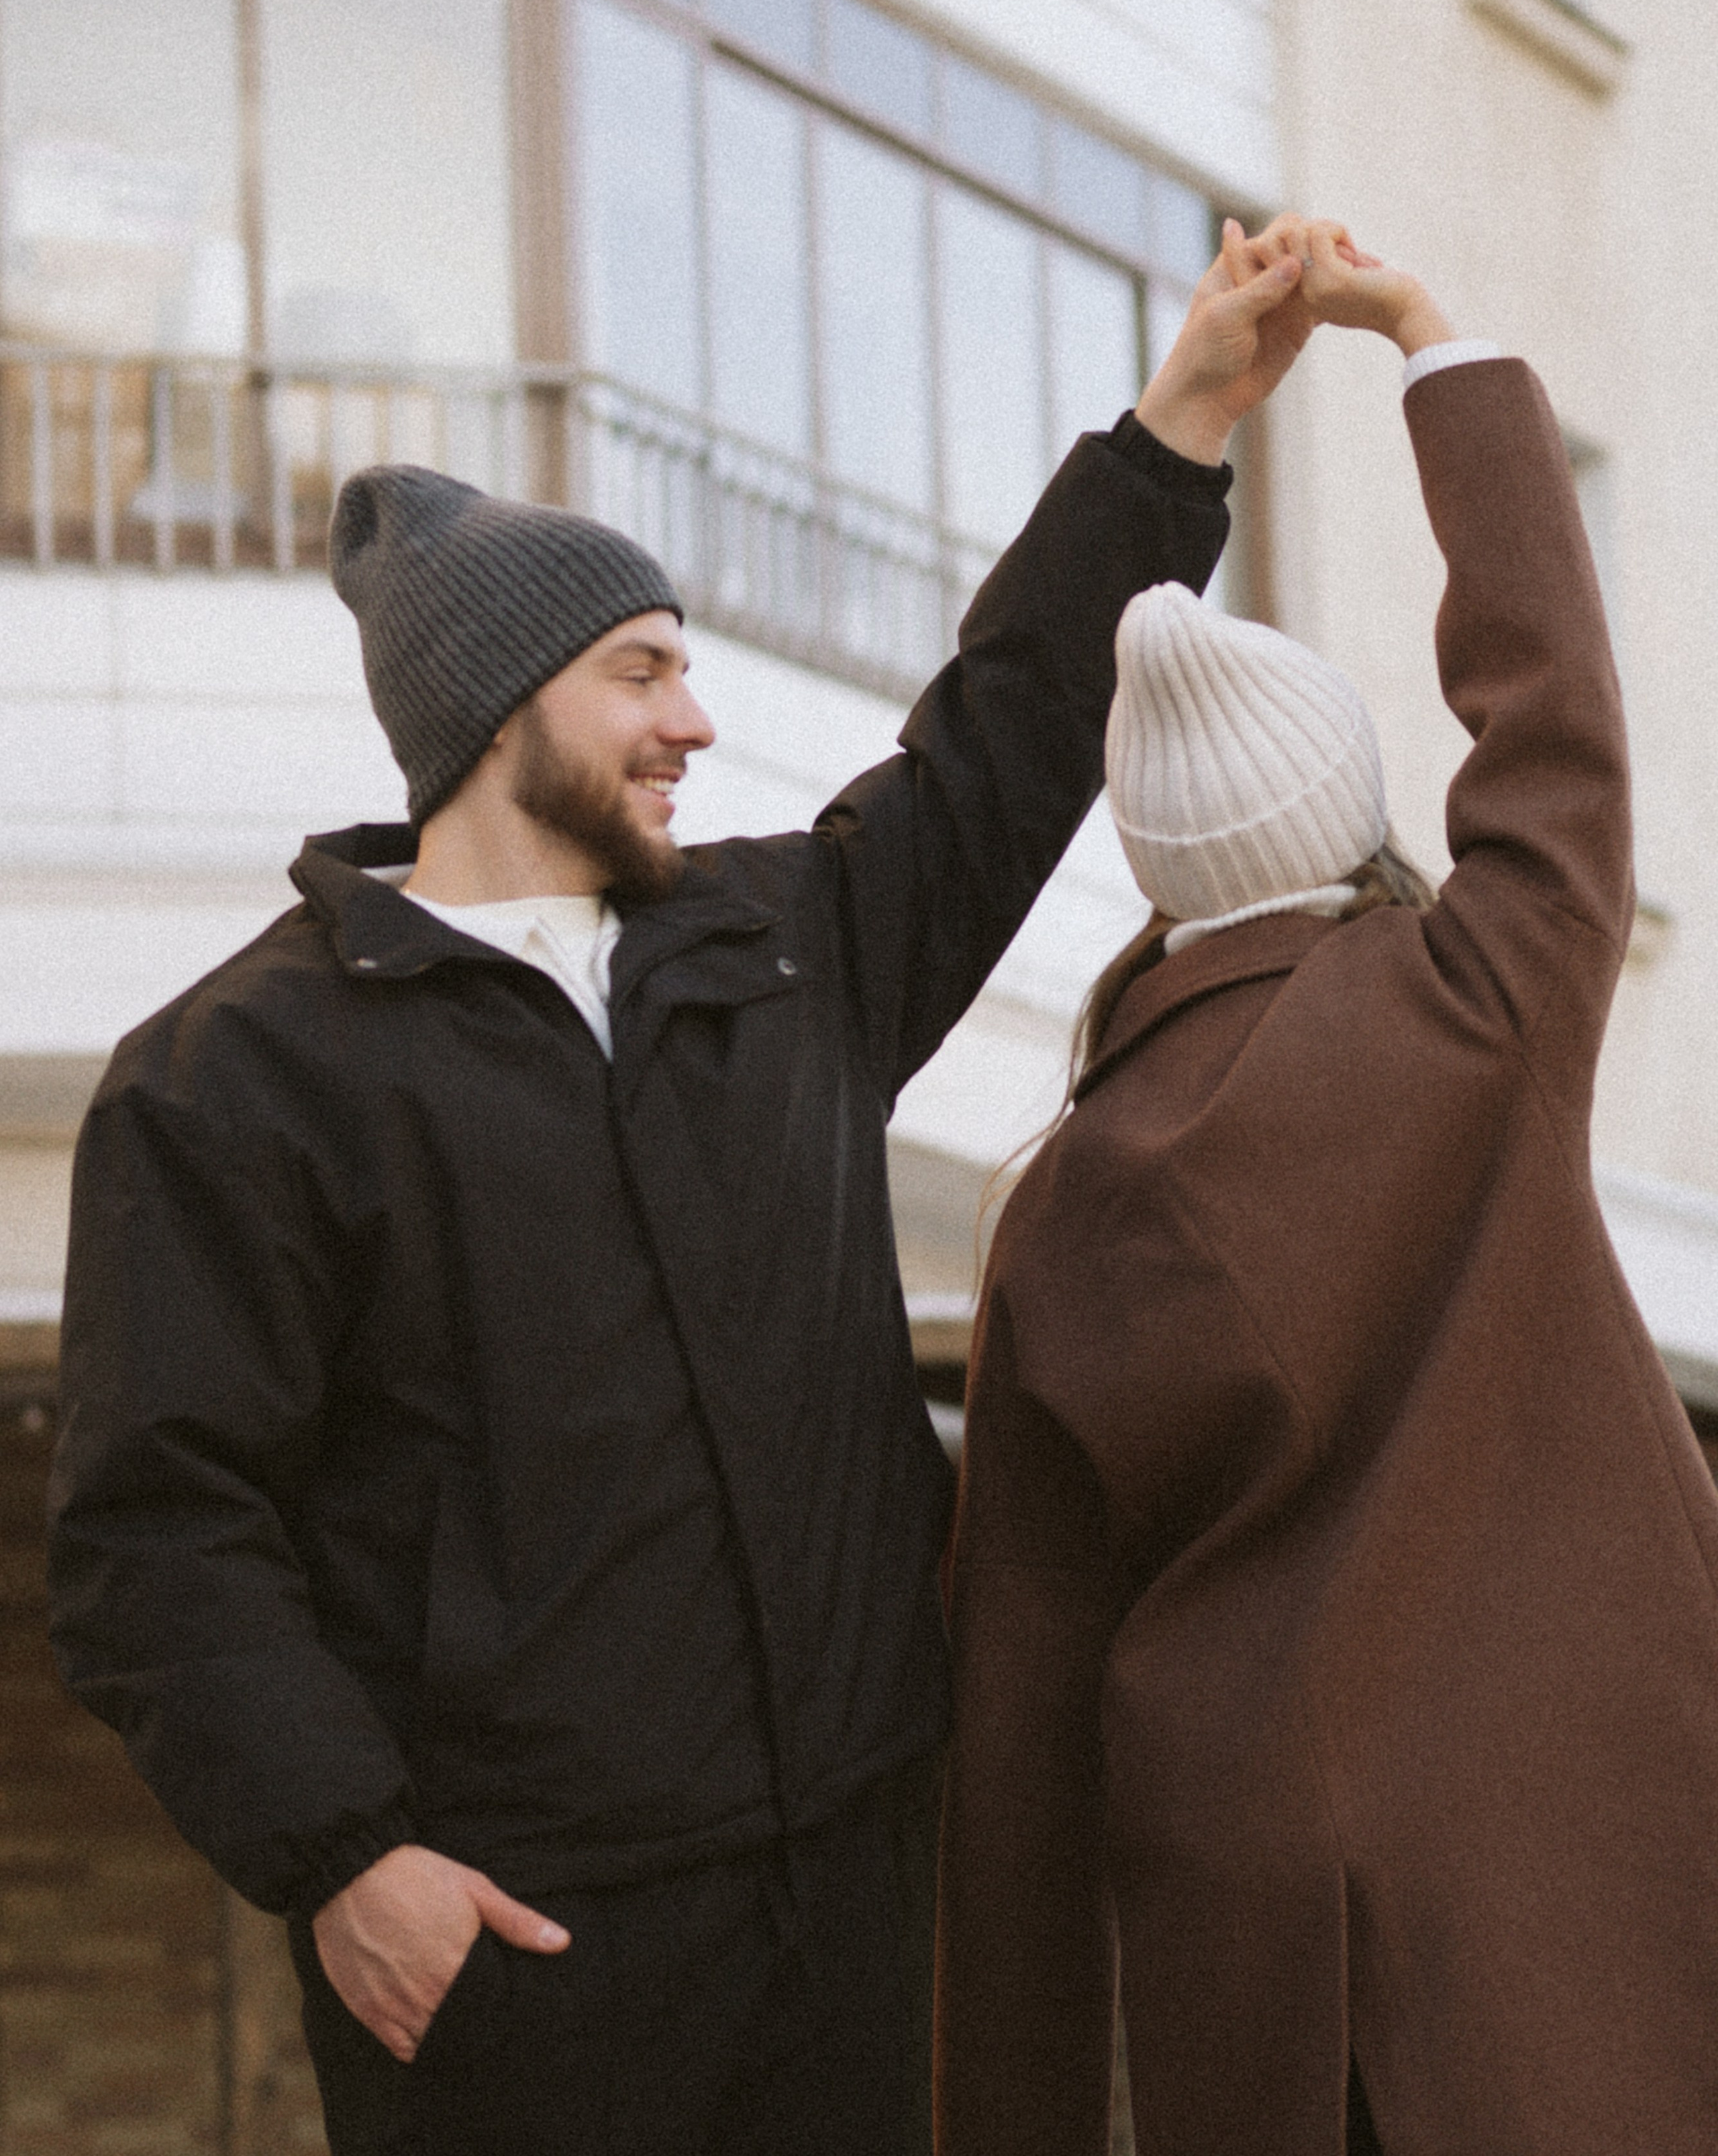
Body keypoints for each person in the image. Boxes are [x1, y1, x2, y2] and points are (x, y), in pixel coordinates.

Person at [45, 215, 1326, 2156]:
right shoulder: (239, 1078)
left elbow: (1000, 734)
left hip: (854, 1906)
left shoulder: (782, 949)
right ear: (499, 709)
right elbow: (155, 1533)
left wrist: (1185, 424)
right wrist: (346, 1856)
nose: (695, 723)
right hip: (528, 1959)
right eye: (642, 671)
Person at [935, 222, 1718, 2156]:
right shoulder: (1479, 1007)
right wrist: (1429, 344)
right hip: (1566, 1893)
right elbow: (1553, 709)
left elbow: (1012, 1750)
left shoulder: (1059, 1210)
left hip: (1254, 1948)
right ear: (1349, 816)